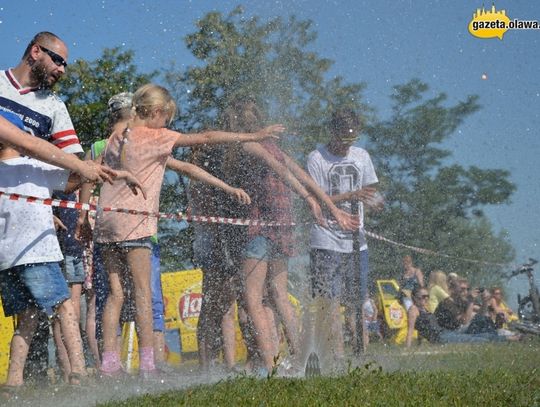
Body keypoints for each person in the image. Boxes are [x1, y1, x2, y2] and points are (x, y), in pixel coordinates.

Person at [94, 84, 284, 379]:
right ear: (157, 112)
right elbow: (207, 137)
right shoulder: (155, 136)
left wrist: (226, 187)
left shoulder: (118, 137)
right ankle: (147, 365)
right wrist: (253, 135)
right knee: (143, 293)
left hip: (105, 223)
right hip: (135, 223)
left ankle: (108, 364)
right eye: (166, 119)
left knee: (115, 293)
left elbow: (184, 168)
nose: (167, 125)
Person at [0, 111, 141, 392]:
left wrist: (101, 167)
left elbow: (73, 180)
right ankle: (79, 372)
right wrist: (107, 162)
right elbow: (74, 180)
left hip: (6, 261)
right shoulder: (31, 166)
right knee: (65, 308)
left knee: (27, 319)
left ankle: (13, 382)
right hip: (37, 255)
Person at [221, 99, 359, 373]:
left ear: (236, 124)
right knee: (278, 294)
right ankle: (302, 356)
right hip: (282, 229)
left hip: (259, 229)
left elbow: (282, 171)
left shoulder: (249, 145)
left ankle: (272, 365)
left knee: (252, 299)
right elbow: (304, 176)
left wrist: (311, 200)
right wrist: (326, 205)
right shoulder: (275, 147)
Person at [307, 108, 380, 362]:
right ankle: (336, 359)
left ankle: (361, 357)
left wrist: (376, 202)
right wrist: (349, 196)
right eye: (343, 139)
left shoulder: (361, 156)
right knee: (330, 302)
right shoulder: (317, 158)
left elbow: (370, 191)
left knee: (357, 303)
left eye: (353, 139)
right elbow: (314, 200)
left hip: (357, 242)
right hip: (326, 240)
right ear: (332, 132)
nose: (347, 145)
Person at [405, 287, 507, 347]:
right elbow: (410, 330)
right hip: (441, 338)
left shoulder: (423, 310)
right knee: (476, 340)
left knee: (475, 337)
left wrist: (419, 344)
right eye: (422, 297)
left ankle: (509, 337)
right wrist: (407, 348)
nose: (426, 299)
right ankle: (509, 338)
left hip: (445, 333)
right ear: (414, 297)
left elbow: (421, 328)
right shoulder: (413, 309)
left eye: (427, 296)